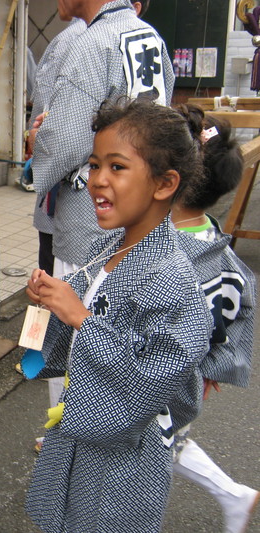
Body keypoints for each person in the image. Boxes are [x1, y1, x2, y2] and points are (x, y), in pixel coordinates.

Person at [25, 98, 211, 532]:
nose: (97, 181)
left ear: (164, 184)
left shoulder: (172, 277)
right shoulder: (104, 250)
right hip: (80, 434)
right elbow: (60, 350)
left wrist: (82, 320)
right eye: (93, 165)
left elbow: (151, 381)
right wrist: (48, 307)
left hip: (125, 460)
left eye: (117, 167)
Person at [31, 0, 172, 277]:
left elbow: (63, 144)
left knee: (79, 310)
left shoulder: (92, 42)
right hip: (140, 210)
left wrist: (37, 139)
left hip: (91, 218)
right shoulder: (149, 35)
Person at [169, 106, 258, 533]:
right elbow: (236, 311)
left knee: (149, 445)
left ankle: (232, 494)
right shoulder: (212, 238)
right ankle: (233, 495)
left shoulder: (167, 250)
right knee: (167, 438)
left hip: (160, 373)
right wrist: (217, 359)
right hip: (196, 373)